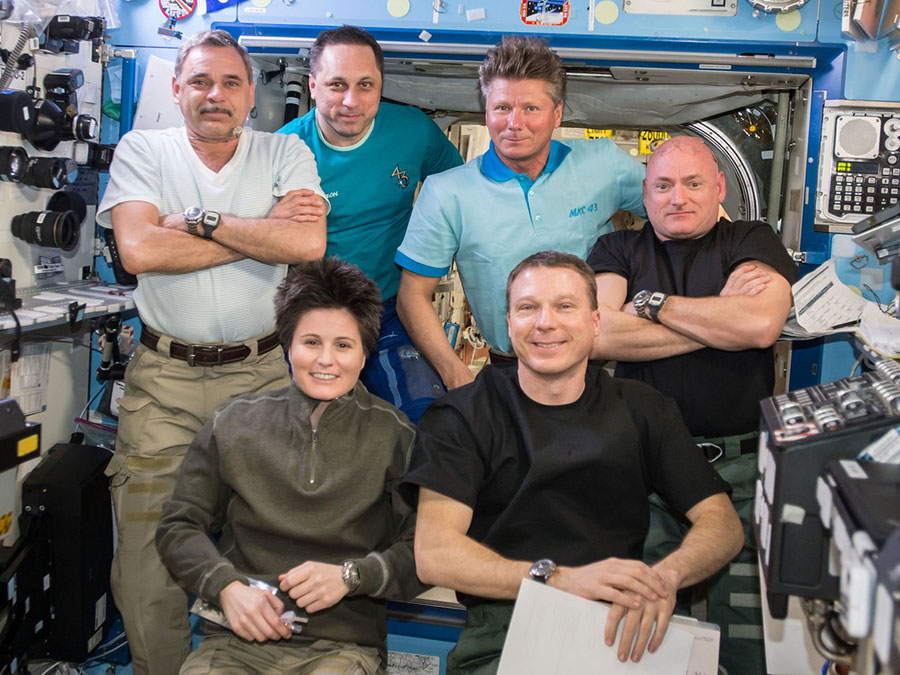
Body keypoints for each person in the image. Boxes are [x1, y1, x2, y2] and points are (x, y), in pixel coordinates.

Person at [95, 30, 328, 674]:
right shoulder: (144, 149)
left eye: (230, 83)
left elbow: (308, 246)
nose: (215, 95)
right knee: (147, 559)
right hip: (163, 385)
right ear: (176, 90)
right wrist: (263, 230)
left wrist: (190, 221)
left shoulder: (284, 150)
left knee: (271, 549)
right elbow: (140, 252)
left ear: (251, 94)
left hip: (263, 380)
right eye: (199, 82)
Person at [400, 251, 743, 675]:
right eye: (527, 308)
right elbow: (435, 554)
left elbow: (722, 523)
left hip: (620, 620)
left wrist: (666, 577)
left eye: (565, 306)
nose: (546, 322)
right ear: (509, 323)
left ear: (595, 322)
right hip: (507, 624)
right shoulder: (462, 416)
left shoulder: (641, 409)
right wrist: (557, 580)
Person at [588, 135, 797, 675]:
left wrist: (653, 305)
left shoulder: (753, 239)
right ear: (645, 193)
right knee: (643, 621)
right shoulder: (616, 250)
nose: (677, 196)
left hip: (741, 467)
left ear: (719, 187)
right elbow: (598, 336)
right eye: (662, 185)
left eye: (692, 183)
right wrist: (717, 321)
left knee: (751, 635)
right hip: (645, 472)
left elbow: (758, 324)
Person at [156, 257, 418, 675]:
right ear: (287, 345)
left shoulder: (395, 435)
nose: (325, 360)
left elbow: (423, 548)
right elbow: (178, 526)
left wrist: (354, 577)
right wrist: (223, 586)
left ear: (366, 352)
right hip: (234, 645)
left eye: (343, 345)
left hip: (343, 648)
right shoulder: (234, 423)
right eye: (311, 342)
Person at [395, 35, 646, 391]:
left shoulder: (604, 163)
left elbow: (683, 212)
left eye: (531, 108)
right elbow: (412, 297)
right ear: (486, 111)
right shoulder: (446, 192)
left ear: (557, 113)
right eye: (502, 108)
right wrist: (456, 375)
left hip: (600, 364)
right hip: (507, 369)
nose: (514, 123)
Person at [278, 25, 463, 422]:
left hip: (388, 309)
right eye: (336, 85)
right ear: (312, 85)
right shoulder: (284, 149)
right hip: (314, 311)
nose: (351, 101)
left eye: (365, 85)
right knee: (312, 428)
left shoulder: (413, 131)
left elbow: (461, 189)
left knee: (426, 420)